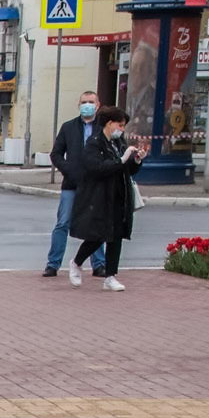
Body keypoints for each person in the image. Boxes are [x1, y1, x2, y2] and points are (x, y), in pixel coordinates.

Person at [68, 105, 141, 291]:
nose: (122, 129)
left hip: (118, 195)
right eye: (120, 125)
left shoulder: (119, 143)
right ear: (109, 123)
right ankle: (76, 262)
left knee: (116, 236)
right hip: (99, 196)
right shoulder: (94, 143)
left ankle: (110, 275)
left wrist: (136, 161)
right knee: (98, 235)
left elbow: (127, 169)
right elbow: (97, 168)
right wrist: (121, 160)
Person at [46, 89, 103, 279]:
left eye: (91, 102)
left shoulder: (103, 127)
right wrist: (68, 169)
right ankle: (53, 264)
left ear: (98, 105)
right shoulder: (69, 127)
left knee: (96, 224)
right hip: (71, 183)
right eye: (84, 102)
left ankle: (99, 264)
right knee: (63, 223)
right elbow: (56, 154)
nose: (88, 105)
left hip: (95, 184)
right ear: (79, 106)